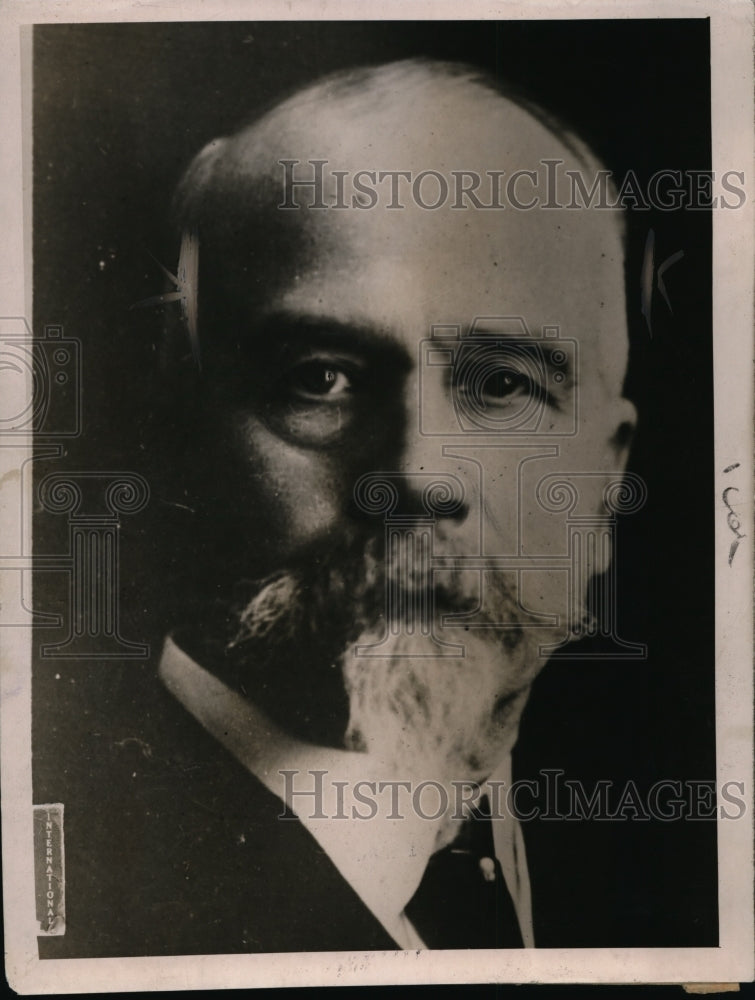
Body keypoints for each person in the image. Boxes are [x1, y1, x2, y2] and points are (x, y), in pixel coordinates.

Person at [39, 58, 640, 957]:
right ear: (177, 432)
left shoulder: (654, 875)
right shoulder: (78, 889)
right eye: (320, 378)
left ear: (603, 479)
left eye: (504, 386)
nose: (417, 475)